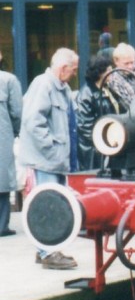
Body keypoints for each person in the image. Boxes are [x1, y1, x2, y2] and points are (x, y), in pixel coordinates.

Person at [19, 48, 79, 269]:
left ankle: (45, 249)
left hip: (55, 160)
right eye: (73, 70)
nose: (74, 74)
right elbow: (33, 121)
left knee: (53, 204)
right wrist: (52, 147)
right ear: (63, 68)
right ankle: (47, 252)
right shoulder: (43, 85)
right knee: (47, 206)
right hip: (46, 160)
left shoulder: (61, 88)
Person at [75, 52, 119, 170]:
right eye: (109, 70)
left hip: (108, 142)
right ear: (100, 73)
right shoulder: (86, 94)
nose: (112, 74)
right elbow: (85, 126)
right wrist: (102, 142)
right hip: (94, 150)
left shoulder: (107, 89)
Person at [0, 49, 21, 237]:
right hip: (2, 136)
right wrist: (14, 131)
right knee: (2, 179)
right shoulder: (8, 80)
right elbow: (17, 112)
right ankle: (1, 225)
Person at [108, 42, 135, 112]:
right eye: (126, 63)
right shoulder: (114, 79)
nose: (130, 66)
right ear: (116, 61)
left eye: (132, 62)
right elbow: (129, 105)